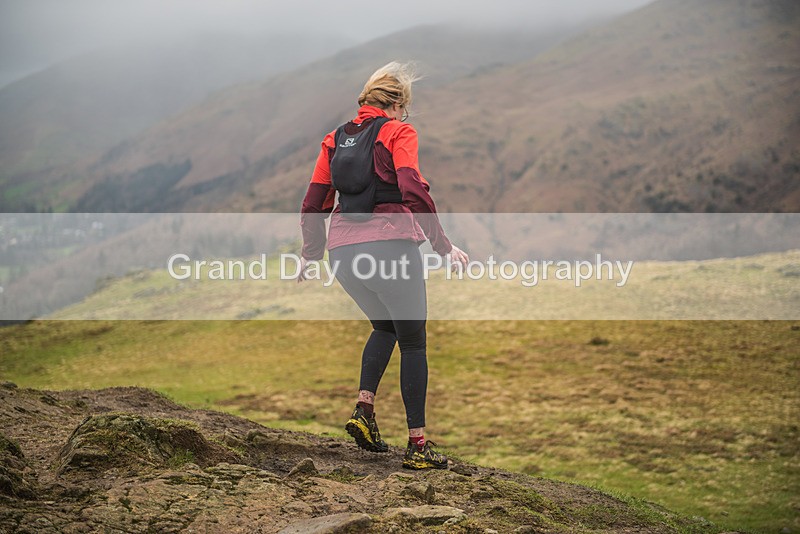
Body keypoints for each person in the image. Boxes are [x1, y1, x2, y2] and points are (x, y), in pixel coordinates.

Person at [297, 61, 468, 470]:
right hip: (390, 249)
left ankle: (365, 413)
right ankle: (418, 446)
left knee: (384, 327)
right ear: (398, 104)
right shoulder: (398, 132)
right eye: (404, 108)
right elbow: (412, 188)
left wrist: (310, 254)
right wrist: (443, 247)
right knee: (413, 341)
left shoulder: (334, 139)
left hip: (343, 255)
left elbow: (314, 202)